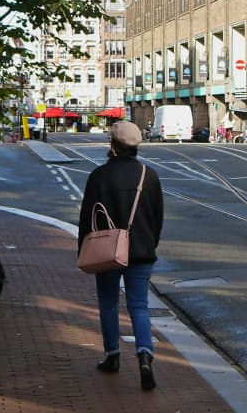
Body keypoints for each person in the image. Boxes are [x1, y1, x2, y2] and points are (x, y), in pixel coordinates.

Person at [80, 123, 165, 390]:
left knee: (108, 302)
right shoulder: (148, 176)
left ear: (113, 146)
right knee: (139, 305)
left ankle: (112, 355)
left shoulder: (99, 176)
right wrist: (150, 244)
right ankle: (144, 355)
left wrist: (84, 248)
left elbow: (87, 218)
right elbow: (157, 217)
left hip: (107, 251)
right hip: (141, 250)